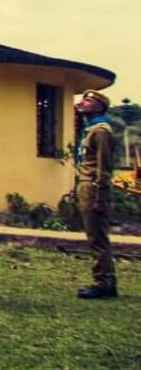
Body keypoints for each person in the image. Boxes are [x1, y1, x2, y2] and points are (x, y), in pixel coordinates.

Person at [74, 90, 118, 299]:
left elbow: (104, 166)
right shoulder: (90, 129)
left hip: (94, 186)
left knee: (97, 236)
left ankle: (104, 282)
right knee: (93, 235)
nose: (82, 103)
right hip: (86, 184)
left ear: (100, 107)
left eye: (88, 100)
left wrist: (100, 196)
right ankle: (103, 279)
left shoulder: (101, 131)